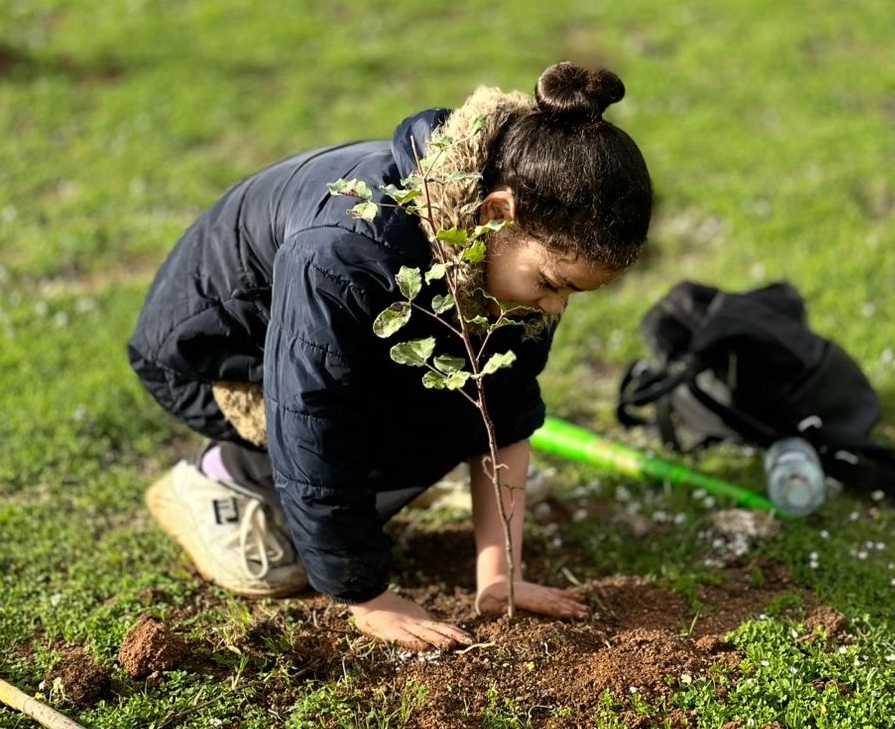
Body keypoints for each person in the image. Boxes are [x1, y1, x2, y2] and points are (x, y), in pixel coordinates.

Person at [128, 61, 653, 651]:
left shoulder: (499, 250)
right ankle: (221, 477)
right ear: (496, 215)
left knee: (447, 415)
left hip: (313, 343)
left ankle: (339, 489)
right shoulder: (347, 251)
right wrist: (364, 593)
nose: (555, 309)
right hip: (213, 357)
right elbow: (312, 413)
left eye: (573, 294)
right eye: (553, 284)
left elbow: (500, 404)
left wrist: (499, 576)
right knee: (400, 443)